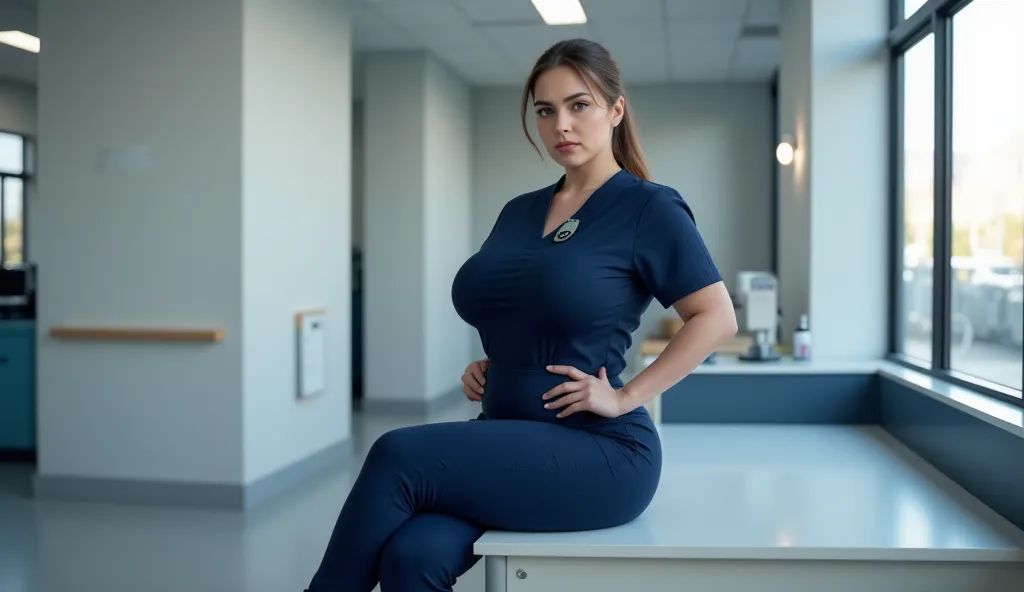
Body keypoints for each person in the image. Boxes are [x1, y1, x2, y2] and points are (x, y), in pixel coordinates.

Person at [304, 38, 737, 592]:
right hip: (507, 435)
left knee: (398, 454)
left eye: (580, 105)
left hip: (597, 450)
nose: (562, 124)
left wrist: (627, 397)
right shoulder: (519, 211)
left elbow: (715, 317)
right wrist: (497, 361)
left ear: (615, 111)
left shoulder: (648, 208)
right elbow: (529, 305)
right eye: (545, 109)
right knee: (411, 560)